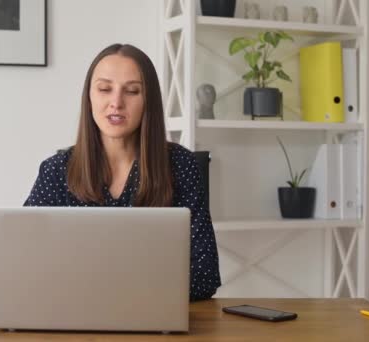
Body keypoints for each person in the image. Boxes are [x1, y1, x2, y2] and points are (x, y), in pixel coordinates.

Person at [23, 43, 221, 301]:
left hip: (155, 315)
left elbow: (205, 274)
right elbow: (25, 263)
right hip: (75, 315)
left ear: (148, 100)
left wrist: (104, 286)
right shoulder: (56, 171)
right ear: (89, 97)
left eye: (132, 91)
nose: (116, 103)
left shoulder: (181, 166)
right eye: (105, 89)